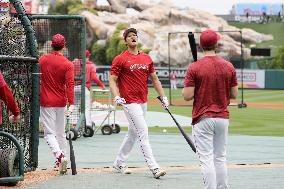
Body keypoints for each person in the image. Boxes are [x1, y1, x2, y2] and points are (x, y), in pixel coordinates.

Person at [109, 28, 169, 179]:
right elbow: (112, 80)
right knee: (143, 132)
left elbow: (155, 79)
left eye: (135, 35)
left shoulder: (146, 58)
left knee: (133, 133)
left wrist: (163, 97)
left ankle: (119, 162)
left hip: (143, 101)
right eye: (129, 36)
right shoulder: (120, 58)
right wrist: (116, 96)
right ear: (126, 41)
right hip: (129, 102)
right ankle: (154, 168)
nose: (133, 37)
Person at [182, 29, 238, 189]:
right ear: (217, 44)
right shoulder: (228, 66)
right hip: (222, 117)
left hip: (202, 117)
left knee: (206, 159)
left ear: (201, 45)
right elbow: (234, 94)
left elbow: (187, 96)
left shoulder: (194, 67)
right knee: (220, 158)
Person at [39, 33, 75, 174]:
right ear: (64, 45)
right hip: (61, 102)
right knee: (60, 133)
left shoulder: (43, 60)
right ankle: (62, 158)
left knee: (49, 134)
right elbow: (70, 85)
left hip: (46, 101)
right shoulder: (68, 64)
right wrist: (71, 103)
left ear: (52, 45)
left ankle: (60, 156)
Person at [73, 50, 106, 128]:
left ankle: (74, 125)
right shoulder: (91, 65)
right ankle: (87, 125)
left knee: (75, 106)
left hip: (75, 87)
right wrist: (102, 85)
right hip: (84, 88)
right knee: (86, 108)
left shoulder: (74, 63)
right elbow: (94, 77)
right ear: (89, 56)